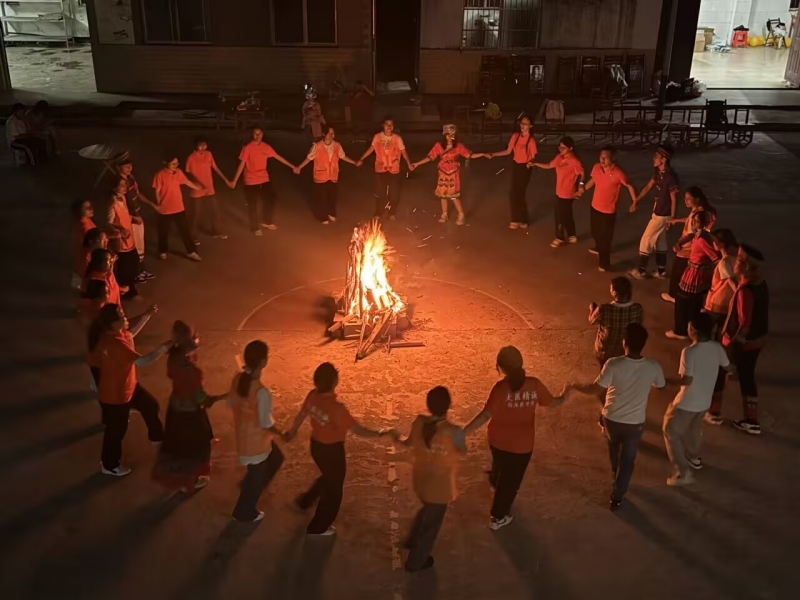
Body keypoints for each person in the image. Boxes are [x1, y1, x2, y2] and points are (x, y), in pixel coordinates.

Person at [463, 346, 567, 530]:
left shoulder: (500, 389)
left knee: (501, 466)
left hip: (497, 441)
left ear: (500, 367)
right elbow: (553, 403)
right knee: (510, 484)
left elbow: (485, 415)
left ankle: (496, 480)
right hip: (521, 446)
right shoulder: (534, 385)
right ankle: (498, 517)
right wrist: (566, 394)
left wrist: (463, 432)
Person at [284, 362, 393, 536]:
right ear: (335, 382)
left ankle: (305, 501)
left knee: (328, 477)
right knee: (334, 492)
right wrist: (381, 432)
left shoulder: (312, 396)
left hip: (316, 447)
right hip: (333, 452)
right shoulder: (337, 409)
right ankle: (318, 527)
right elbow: (359, 430)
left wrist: (292, 431)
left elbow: (302, 414)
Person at [569, 323, 665, 510]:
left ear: (624, 342)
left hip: (611, 419)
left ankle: (615, 471)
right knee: (628, 460)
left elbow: (595, 389)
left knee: (613, 446)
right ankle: (617, 495)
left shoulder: (613, 364)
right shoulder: (653, 366)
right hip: (634, 424)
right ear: (644, 344)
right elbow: (661, 386)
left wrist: (575, 387)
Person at [391, 386, 465, 572]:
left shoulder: (418, 423)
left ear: (428, 405)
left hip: (420, 481)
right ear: (449, 405)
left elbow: (407, 443)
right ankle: (416, 562)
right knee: (431, 526)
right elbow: (462, 452)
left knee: (427, 509)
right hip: (440, 488)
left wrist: (396, 437)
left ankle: (412, 538)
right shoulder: (454, 432)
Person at [88, 303, 168, 476]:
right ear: (113, 323)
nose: (125, 318)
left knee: (150, 405)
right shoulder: (115, 344)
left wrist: (147, 315)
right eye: (122, 316)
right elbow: (143, 361)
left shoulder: (115, 334)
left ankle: (157, 437)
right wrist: (165, 347)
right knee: (116, 432)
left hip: (128, 386)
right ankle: (110, 465)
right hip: (117, 396)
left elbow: (131, 334)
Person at [153, 321, 226, 493]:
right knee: (196, 448)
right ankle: (190, 481)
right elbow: (201, 398)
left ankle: (179, 476)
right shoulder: (192, 371)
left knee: (178, 446)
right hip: (191, 412)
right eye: (195, 336)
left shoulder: (173, 358)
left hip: (175, 408)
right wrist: (217, 398)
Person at [662, 314, 733, 486]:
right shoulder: (717, 347)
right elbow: (729, 367)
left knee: (669, 429)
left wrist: (666, 382)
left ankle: (682, 472)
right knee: (693, 428)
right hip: (704, 401)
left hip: (687, 401)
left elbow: (687, 380)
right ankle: (694, 457)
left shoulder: (689, 352)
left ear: (693, 330)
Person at [229, 340, 285, 523]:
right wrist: (282, 433)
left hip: (244, 438)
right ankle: (244, 512)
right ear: (263, 362)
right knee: (258, 475)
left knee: (276, 458)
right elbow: (266, 423)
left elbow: (231, 402)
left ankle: (250, 484)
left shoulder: (238, 379)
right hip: (257, 446)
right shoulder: (262, 393)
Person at [722, 244, 769, 435]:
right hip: (758, 341)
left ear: (747, 266)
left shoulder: (745, 291)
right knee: (748, 376)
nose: (735, 263)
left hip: (746, 344)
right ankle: (751, 418)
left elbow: (744, 323)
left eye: (739, 261)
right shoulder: (760, 285)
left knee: (735, 375)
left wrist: (734, 347)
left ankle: (750, 420)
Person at [411, 124, 486, 226]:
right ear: (444, 135)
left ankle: (461, 215)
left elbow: (469, 155)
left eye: (452, 134)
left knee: (453, 196)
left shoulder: (458, 146)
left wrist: (482, 154)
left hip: (453, 173)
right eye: (448, 134)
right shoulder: (439, 146)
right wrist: (417, 164)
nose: (450, 137)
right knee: (443, 195)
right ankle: (444, 214)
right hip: (443, 172)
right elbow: (430, 157)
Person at [230, 126, 297, 234]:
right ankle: (255, 227)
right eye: (255, 133)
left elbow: (277, 156)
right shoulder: (247, 147)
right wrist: (234, 180)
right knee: (252, 203)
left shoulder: (265, 147)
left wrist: (293, 166)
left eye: (260, 133)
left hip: (263, 178)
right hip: (251, 180)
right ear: (252, 135)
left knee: (271, 198)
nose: (258, 136)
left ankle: (267, 221)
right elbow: (241, 165)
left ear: (263, 134)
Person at [579, 147, 637, 272]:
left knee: (605, 238)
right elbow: (593, 180)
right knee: (595, 232)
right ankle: (598, 247)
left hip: (608, 211)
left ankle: (604, 263)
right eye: (601, 157)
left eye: (605, 157)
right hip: (595, 206)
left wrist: (634, 201)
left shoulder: (618, 173)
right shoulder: (596, 168)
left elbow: (629, 186)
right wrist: (582, 189)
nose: (602, 159)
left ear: (613, 158)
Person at [628, 145, 680, 280]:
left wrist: (672, 217)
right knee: (660, 241)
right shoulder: (658, 173)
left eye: (656, 156)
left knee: (646, 239)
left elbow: (674, 198)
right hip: (658, 211)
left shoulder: (670, 177)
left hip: (663, 213)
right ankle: (661, 271)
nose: (654, 158)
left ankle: (641, 270)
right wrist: (636, 200)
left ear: (664, 159)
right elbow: (648, 187)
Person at [703, 229, 738, 425]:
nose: (713, 245)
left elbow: (733, 284)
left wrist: (739, 296)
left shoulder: (725, 263)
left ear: (721, 244)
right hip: (727, 308)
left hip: (718, 307)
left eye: (715, 242)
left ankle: (713, 409)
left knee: (714, 345)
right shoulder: (737, 260)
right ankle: (728, 365)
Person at [667, 211, 720, 340]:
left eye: (697, 221)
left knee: (682, 300)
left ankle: (681, 331)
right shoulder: (702, 235)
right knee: (693, 301)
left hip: (694, 274)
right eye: (694, 220)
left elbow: (715, 257)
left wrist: (713, 270)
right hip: (696, 271)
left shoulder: (702, 239)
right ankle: (692, 327)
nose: (694, 223)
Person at [294, 126, 359, 224]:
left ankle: (331, 213)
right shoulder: (317, 146)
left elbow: (343, 156)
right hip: (320, 176)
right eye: (329, 133)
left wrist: (354, 162)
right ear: (324, 134)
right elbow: (309, 158)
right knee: (321, 197)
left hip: (333, 176)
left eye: (332, 133)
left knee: (332, 196)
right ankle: (323, 217)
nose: (330, 135)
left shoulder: (337, 145)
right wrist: (299, 167)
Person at [662, 187, 717, 304]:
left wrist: (678, 243)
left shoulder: (696, 213)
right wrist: (676, 220)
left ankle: (674, 296)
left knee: (678, 272)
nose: (685, 201)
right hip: (696, 248)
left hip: (687, 247)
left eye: (688, 199)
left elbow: (691, 233)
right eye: (685, 198)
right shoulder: (702, 211)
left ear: (697, 199)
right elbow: (690, 220)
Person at [531, 136, 585, 247]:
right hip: (559, 191)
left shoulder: (574, 161)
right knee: (567, 214)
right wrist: (535, 163)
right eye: (559, 147)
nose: (561, 149)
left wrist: (580, 185)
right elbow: (549, 165)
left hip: (568, 193)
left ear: (570, 148)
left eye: (563, 148)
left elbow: (582, 173)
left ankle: (559, 238)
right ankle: (572, 235)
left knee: (559, 215)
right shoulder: (559, 158)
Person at [358, 116, 414, 220]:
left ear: (393, 127)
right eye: (387, 124)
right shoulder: (377, 137)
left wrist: (409, 164)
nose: (389, 126)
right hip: (380, 169)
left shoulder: (397, 138)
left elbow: (403, 151)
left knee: (394, 194)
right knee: (380, 193)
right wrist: (361, 158)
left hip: (394, 169)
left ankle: (392, 212)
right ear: (383, 125)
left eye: (391, 125)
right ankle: (378, 212)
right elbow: (371, 148)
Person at [488, 116, 538, 230]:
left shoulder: (531, 140)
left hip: (525, 167)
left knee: (520, 193)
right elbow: (508, 151)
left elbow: (533, 156)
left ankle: (524, 219)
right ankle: (515, 219)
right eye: (522, 123)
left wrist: (531, 163)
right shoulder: (515, 136)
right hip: (516, 166)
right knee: (512, 192)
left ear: (530, 126)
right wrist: (494, 154)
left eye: (525, 124)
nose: (523, 126)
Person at [152, 154, 204, 261]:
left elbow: (187, 181)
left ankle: (191, 252)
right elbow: (157, 190)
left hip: (178, 207)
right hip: (165, 209)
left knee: (185, 231)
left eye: (177, 163)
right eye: (173, 163)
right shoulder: (160, 175)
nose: (176, 165)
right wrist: (158, 204)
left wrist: (198, 188)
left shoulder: (178, 172)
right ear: (166, 163)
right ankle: (162, 251)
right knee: (163, 231)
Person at [589, 276, 644, 367]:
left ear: (615, 292)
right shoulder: (637, 309)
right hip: (624, 351)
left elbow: (592, 321)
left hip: (605, 351)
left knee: (605, 369)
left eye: (611, 288)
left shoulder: (604, 309)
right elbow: (638, 325)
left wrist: (592, 309)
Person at [116, 158, 156, 282]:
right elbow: (120, 210)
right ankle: (136, 273)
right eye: (126, 166)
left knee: (140, 245)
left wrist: (152, 204)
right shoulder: (118, 184)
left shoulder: (131, 178)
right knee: (134, 248)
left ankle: (141, 270)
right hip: (130, 220)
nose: (129, 169)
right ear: (118, 167)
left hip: (137, 216)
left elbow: (137, 194)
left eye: (130, 166)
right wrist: (132, 218)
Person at [185, 137, 231, 240]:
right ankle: (192, 237)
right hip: (197, 190)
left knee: (214, 211)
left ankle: (216, 232)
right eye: (200, 145)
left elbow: (215, 168)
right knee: (195, 214)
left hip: (209, 189)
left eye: (204, 145)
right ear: (196, 145)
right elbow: (188, 173)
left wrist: (226, 180)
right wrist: (199, 184)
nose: (202, 147)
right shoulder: (191, 157)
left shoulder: (209, 154)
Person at [108, 179, 143, 300]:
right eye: (121, 185)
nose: (124, 187)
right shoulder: (112, 203)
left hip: (129, 238)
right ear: (114, 187)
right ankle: (128, 292)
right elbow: (109, 223)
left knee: (134, 262)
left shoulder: (122, 198)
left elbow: (125, 214)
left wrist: (133, 218)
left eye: (125, 184)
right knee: (126, 267)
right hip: (122, 242)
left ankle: (129, 288)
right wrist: (121, 229)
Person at [71, 199, 96, 289]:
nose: (91, 209)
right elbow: (94, 243)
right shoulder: (84, 226)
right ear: (79, 211)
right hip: (87, 262)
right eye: (87, 208)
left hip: (81, 261)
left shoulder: (85, 220)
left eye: (91, 206)